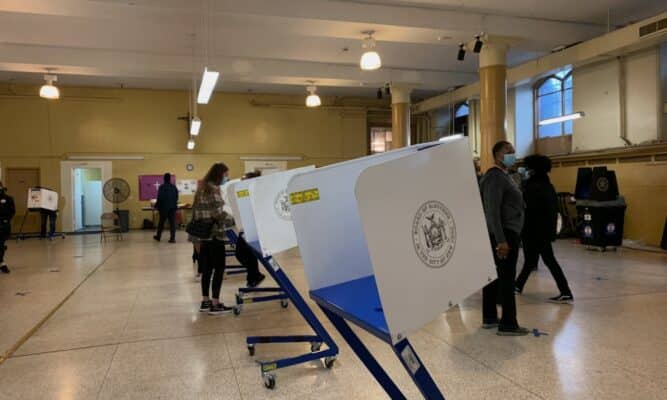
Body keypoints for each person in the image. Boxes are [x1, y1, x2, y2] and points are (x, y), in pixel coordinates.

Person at [480, 140, 529, 336]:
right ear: (498, 155)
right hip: (503, 233)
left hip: (503, 232)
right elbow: (492, 211)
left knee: (493, 277)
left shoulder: (503, 176)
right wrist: (501, 240)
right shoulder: (494, 176)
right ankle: (508, 323)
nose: (513, 155)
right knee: (507, 278)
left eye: (514, 151)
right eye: (509, 152)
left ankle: (490, 317)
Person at [515, 155, 574, 303]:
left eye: (527, 168)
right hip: (543, 230)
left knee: (547, 260)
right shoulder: (547, 185)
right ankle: (518, 285)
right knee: (532, 260)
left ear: (533, 170)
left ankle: (565, 291)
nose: (525, 170)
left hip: (533, 231)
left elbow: (526, 209)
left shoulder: (533, 187)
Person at [192, 163, 234, 315]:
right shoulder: (213, 190)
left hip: (203, 236)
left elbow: (197, 212)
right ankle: (216, 304)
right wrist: (234, 220)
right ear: (219, 174)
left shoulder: (201, 189)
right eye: (225, 175)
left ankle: (205, 301)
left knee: (207, 269)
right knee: (219, 269)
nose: (226, 178)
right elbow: (218, 214)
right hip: (215, 235)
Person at [235, 170, 265, 288]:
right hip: (247, 228)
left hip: (253, 230)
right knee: (245, 254)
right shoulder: (247, 194)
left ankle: (254, 276)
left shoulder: (256, 193)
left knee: (242, 253)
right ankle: (254, 276)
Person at [153, 173, 179, 243]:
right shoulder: (174, 187)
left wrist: (156, 206)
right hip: (172, 208)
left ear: (164, 179)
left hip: (164, 208)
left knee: (161, 223)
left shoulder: (162, 187)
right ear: (170, 178)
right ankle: (172, 238)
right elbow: (176, 197)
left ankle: (158, 237)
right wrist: (174, 204)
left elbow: (160, 198)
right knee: (172, 224)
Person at [0, 182, 16, 274]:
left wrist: (6, 219)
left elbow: (12, 211)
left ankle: (2, 262)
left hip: (3, 225)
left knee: (1, 244)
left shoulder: (8, 199)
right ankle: (2, 263)